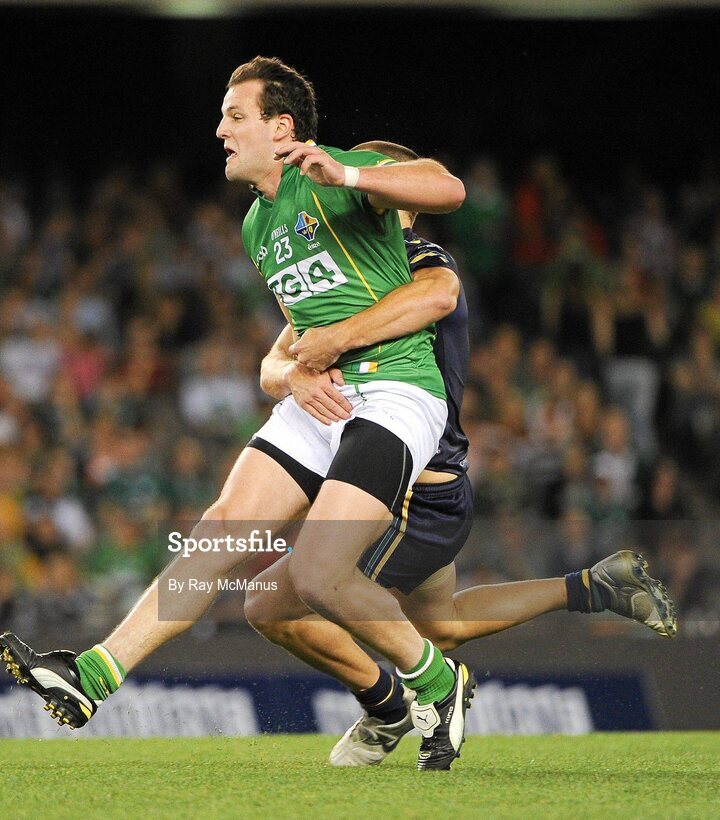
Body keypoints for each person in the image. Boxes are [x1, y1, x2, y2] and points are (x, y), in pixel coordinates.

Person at [0, 55, 480, 771]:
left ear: (280, 128)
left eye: (234, 116)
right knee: (218, 532)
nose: (220, 130)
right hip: (324, 398)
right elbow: (292, 340)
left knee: (318, 574)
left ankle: (438, 683)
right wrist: (292, 374)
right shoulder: (258, 224)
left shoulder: (333, 174)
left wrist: (349, 176)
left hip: (397, 391)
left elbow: (449, 188)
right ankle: (93, 675)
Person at [244, 142, 676, 769]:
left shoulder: (418, 259)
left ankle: (390, 704)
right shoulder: (348, 274)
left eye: (360, 184)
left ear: (399, 198)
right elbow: (273, 361)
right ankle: (592, 587)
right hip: (423, 484)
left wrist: (327, 342)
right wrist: (290, 373)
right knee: (440, 624)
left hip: (412, 493)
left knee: (279, 602)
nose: (338, 197)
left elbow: (440, 293)